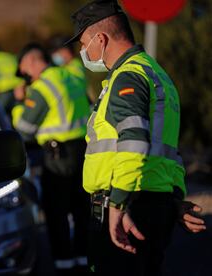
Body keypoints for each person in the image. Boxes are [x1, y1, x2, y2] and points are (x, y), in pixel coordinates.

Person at [66, 0, 206, 275]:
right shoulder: (156, 74)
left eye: (84, 44)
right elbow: (168, 150)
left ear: (101, 39)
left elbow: (135, 141)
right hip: (153, 203)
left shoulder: (127, 77)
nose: (83, 52)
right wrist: (174, 199)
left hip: (127, 206)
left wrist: (118, 203)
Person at [12, 42, 91, 275]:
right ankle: (83, 262)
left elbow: (24, 128)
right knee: (81, 211)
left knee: (56, 214)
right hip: (83, 152)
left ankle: (64, 266)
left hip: (57, 158)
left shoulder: (42, 87)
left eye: (25, 70)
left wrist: (19, 103)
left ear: (33, 62)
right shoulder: (73, 75)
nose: (26, 76)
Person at [49, 35, 96, 104]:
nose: (56, 55)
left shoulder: (76, 65)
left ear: (67, 51)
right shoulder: (64, 67)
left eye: (59, 52)